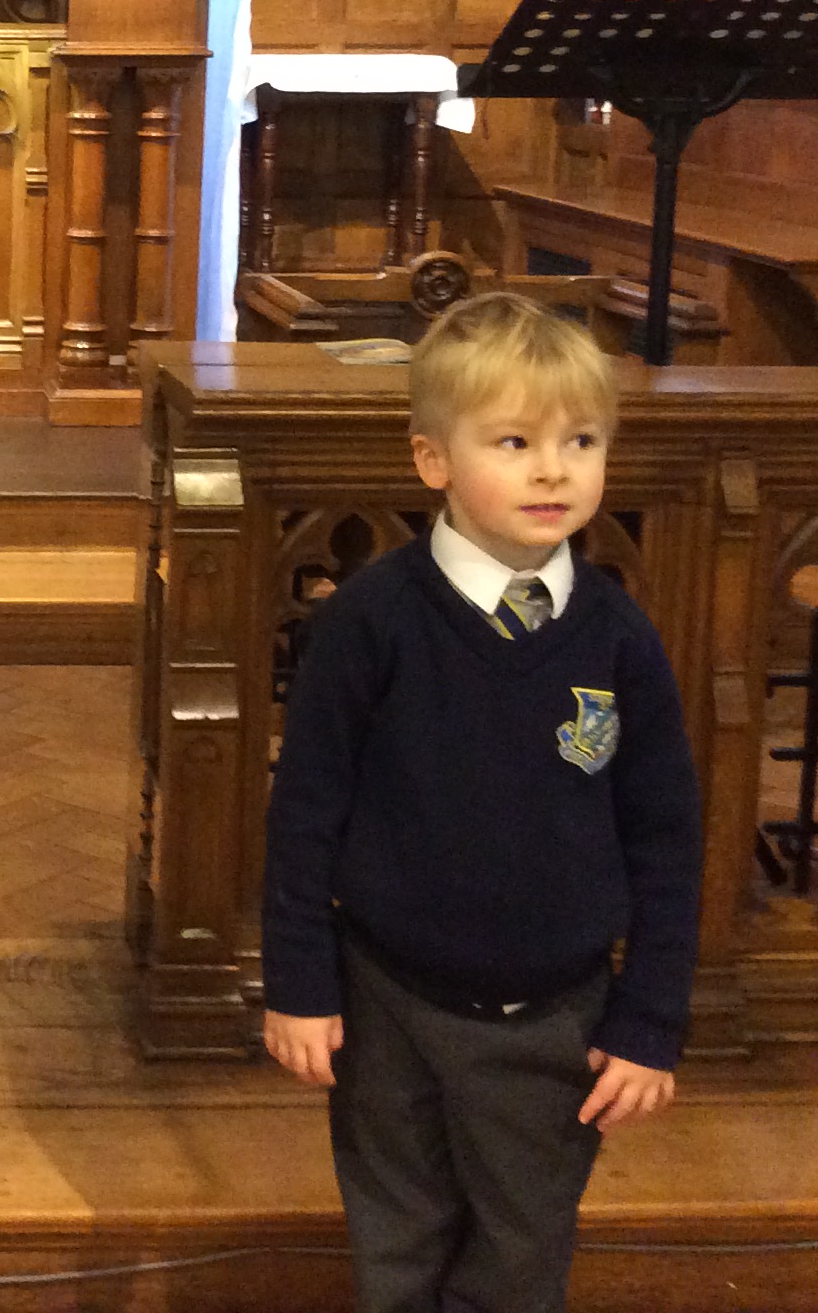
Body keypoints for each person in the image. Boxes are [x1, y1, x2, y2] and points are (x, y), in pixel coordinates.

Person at [260, 292, 702, 1313]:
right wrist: (300, 984)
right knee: (398, 1241)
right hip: (388, 1003)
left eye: (581, 441)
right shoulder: (371, 621)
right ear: (433, 460)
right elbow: (306, 814)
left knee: (520, 1252)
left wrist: (650, 1019)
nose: (554, 470)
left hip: (555, 1018)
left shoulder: (618, 637)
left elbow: (667, 837)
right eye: (515, 442)